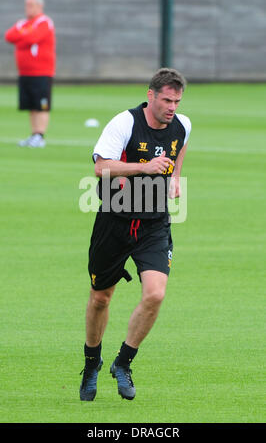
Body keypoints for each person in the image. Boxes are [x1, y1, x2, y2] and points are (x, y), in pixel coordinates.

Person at [80, 68, 192, 401]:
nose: (172, 107)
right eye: (166, 100)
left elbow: (179, 147)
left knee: (155, 294)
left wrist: (174, 178)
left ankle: (123, 362)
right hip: (115, 221)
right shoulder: (124, 124)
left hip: (154, 223)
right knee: (101, 297)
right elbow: (101, 168)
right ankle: (91, 363)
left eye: (177, 101)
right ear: (151, 96)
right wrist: (144, 168)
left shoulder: (182, 124)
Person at [4, 0, 56, 148]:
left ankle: (40, 136)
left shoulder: (44, 22)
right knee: (31, 106)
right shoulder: (23, 23)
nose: (28, 8)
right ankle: (34, 134)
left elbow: (32, 38)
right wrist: (24, 34)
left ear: (39, 6)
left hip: (41, 72)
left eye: (31, 5)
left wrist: (23, 35)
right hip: (25, 72)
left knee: (41, 105)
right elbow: (9, 36)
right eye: (27, 5)